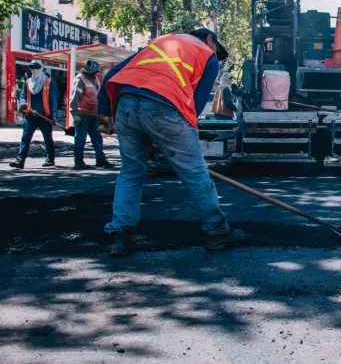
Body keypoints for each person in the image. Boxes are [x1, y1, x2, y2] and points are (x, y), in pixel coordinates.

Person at [97, 27, 243, 257]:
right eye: (216, 48)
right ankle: (217, 233)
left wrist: (105, 113)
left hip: (125, 105)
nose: (215, 53)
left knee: (131, 172)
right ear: (208, 39)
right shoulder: (207, 55)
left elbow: (112, 73)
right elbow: (196, 102)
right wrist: (179, 136)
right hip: (165, 106)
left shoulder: (160, 42)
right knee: (195, 172)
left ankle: (120, 237)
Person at [10, 60, 58, 169]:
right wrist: (22, 104)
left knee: (47, 138)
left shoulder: (49, 82)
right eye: (32, 67)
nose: (34, 69)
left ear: (41, 68)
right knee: (26, 137)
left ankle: (50, 159)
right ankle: (20, 160)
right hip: (30, 115)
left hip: (45, 116)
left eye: (36, 67)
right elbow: (23, 96)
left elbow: (53, 99)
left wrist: (53, 115)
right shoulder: (28, 82)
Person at [69, 59, 115, 170]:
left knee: (97, 137)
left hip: (94, 115)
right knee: (80, 138)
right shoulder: (80, 80)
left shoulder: (95, 80)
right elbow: (74, 100)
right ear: (88, 70)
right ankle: (78, 161)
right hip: (82, 114)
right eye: (94, 72)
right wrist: (75, 116)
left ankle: (100, 159)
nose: (95, 73)